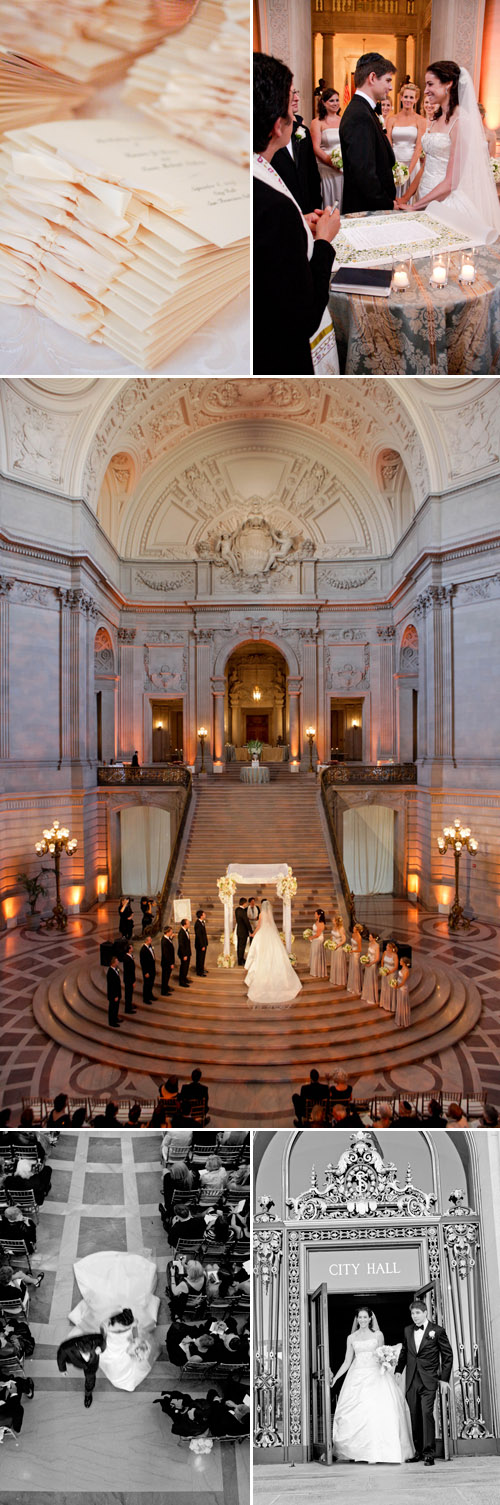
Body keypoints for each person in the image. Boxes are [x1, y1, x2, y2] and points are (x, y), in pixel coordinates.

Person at [253, 52, 340, 376]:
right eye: (291, 108)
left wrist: (298, 225)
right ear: (278, 126)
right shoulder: (273, 209)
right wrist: (323, 240)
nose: (296, 113)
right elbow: (303, 316)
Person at [398, 60, 500, 245]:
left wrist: (416, 207)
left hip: (445, 203)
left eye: (430, 84)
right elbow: (425, 166)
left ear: (448, 84)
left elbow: (452, 181)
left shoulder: (461, 121)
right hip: (424, 195)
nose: (426, 90)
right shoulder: (436, 118)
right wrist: (407, 197)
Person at [331, 1306, 414, 1463]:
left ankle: (381, 1452)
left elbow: (381, 1353)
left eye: (365, 1317)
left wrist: (386, 1362)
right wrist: (336, 1378)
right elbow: (347, 1361)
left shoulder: (378, 1335)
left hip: (376, 1375)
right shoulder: (351, 1338)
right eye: (359, 1317)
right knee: (356, 1412)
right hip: (356, 1377)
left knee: (377, 1410)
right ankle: (357, 1452)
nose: (362, 1320)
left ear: (370, 1319)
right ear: (357, 1319)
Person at [395, 1297, 453, 1465]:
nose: (415, 1316)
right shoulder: (407, 1330)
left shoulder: (438, 1331)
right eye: (412, 1313)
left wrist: (444, 1379)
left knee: (426, 1414)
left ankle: (429, 1453)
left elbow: (447, 1356)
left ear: (426, 1313)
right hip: (412, 1380)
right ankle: (418, 1452)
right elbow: (405, 1352)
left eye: (418, 1313)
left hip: (429, 1380)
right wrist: (399, 1370)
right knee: (414, 1415)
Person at [339, 52, 397, 214]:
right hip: (367, 210)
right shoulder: (359, 115)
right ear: (372, 78)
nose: (391, 87)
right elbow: (364, 174)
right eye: (387, 80)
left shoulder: (365, 110)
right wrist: (388, 204)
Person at [272, 83, 322, 215]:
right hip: (281, 212)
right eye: (292, 93)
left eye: (296, 92)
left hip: (308, 209)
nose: (297, 98)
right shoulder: (265, 138)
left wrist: (316, 208)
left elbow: (312, 174)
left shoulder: (302, 130)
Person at [244, 899, 302, 1005]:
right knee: (274, 952)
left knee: (261, 953)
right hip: (271, 934)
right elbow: (271, 925)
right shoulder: (269, 914)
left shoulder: (261, 914)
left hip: (263, 934)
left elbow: (259, 926)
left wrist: (253, 934)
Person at [386, 82, 425, 198]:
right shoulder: (391, 119)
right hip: (395, 164)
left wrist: (408, 171)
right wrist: (393, 167)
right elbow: (388, 145)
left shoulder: (421, 120)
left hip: (412, 164)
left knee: (410, 198)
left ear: (416, 99)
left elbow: (419, 147)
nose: (408, 100)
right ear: (401, 97)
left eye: (411, 97)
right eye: (406, 96)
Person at [310, 87, 343, 210]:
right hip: (325, 168)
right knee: (329, 201)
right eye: (331, 101)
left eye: (337, 100)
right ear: (323, 102)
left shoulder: (343, 120)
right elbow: (316, 147)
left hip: (342, 169)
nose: (335, 103)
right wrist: (331, 162)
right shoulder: (317, 122)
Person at [57, 1332, 107, 1408]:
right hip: (77, 1362)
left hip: (92, 1364)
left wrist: (101, 1348)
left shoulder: (96, 1339)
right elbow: (60, 1357)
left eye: (89, 1353)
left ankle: (88, 1394)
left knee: (90, 1380)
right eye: (85, 1354)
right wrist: (62, 1369)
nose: (87, 1357)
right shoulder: (66, 1347)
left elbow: (103, 1341)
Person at [380, 939, 399, 1011]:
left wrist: (389, 972)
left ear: (391, 948)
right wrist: (382, 969)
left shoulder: (395, 955)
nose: (386, 947)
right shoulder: (385, 952)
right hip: (384, 972)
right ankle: (383, 1003)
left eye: (387, 946)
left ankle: (390, 1005)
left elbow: (396, 967)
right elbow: (382, 961)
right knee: (384, 986)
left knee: (390, 988)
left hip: (391, 973)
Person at [361, 932, 380, 1004]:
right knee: (367, 978)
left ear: (374, 938)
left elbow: (377, 958)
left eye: (370, 937)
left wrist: (370, 964)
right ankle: (366, 995)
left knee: (371, 979)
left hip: (372, 964)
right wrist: (365, 959)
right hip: (368, 963)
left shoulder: (377, 946)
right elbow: (368, 953)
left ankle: (372, 997)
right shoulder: (369, 944)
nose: (369, 938)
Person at [309, 908, 328, 978]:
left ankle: (317, 971)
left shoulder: (321, 923)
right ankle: (314, 969)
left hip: (318, 940)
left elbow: (318, 934)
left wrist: (311, 937)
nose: (314, 915)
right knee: (314, 954)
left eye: (315, 914)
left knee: (317, 955)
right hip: (315, 940)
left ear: (319, 915)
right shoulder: (317, 921)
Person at [330, 912, 347, 987]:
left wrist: (337, 946)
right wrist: (330, 943)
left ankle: (339, 979)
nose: (332, 921)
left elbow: (344, 940)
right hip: (333, 947)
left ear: (336, 921)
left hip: (338, 948)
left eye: (333, 920)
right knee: (334, 962)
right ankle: (334, 978)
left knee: (338, 963)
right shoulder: (334, 927)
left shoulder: (341, 929)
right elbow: (332, 936)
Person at [235, 898, 253, 966]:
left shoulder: (237, 910)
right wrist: (251, 931)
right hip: (243, 931)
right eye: (246, 903)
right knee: (242, 946)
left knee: (239, 946)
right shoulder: (242, 911)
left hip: (239, 930)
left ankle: (240, 959)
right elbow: (246, 922)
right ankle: (240, 960)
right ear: (244, 903)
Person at [346, 923, 363, 995]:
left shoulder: (359, 938)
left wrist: (353, 951)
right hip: (352, 954)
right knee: (352, 969)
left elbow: (359, 949)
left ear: (357, 930)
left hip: (356, 955)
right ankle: (351, 986)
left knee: (355, 970)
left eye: (354, 928)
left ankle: (356, 988)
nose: (353, 929)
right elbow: (352, 944)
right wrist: (349, 948)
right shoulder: (353, 935)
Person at [395, 956, 411, 1028]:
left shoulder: (406, 971)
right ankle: (399, 1019)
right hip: (399, 986)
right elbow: (399, 978)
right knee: (399, 1002)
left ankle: (404, 1020)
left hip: (403, 988)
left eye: (401, 961)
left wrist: (397, 986)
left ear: (404, 963)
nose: (399, 962)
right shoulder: (402, 968)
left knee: (403, 1002)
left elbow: (403, 981)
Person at [106, 955, 122, 1028]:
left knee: (116, 1007)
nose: (118, 962)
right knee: (112, 1008)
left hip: (117, 993)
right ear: (113, 963)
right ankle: (112, 1022)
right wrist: (115, 995)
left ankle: (115, 1018)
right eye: (116, 961)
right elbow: (111, 986)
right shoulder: (110, 972)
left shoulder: (116, 969)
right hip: (113, 994)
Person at [140, 936, 156, 1004]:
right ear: (146, 941)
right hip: (147, 971)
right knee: (147, 984)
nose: (151, 940)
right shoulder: (143, 950)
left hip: (152, 969)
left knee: (151, 983)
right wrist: (145, 972)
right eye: (150, 939)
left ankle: (150, 995)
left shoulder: (150, 946)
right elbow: (143, 962)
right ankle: (145, 998)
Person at [123, 941, 137, 1015]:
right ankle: (128, 1009)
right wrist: (133, 981)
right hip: (129, 980)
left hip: (128, 979)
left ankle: (129, 1005)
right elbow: (130, 972)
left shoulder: (128, 957)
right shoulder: (127, 959)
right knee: (128, 994)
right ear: (129, 950)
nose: (132, 948)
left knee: (129, 994)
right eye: (131, 947)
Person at [161, 926, 175, 995]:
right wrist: (171, 963)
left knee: (167, 976)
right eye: (171, 931)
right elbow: (166, 954)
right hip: (166, 963)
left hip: (167, 962)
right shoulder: (164, 941)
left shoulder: (167, 939)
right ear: (167, 932)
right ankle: (164, 991)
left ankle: (166, 987)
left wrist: (171, 938)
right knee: (165, 977)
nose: (172, 932)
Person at [177, 919, 191, 988]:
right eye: (188, 923)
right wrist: (184, 955)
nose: (189, 924)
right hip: (184, 953)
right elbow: (181, 945)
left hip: (187, 952)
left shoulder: (186, 931)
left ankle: (184, 978)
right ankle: (181, 981)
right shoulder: (181, 933)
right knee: (183, 967)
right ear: (185, 924)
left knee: (186, 967)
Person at [194, 910, 208, 976]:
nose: (205, 915)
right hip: (200, 944)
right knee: (200, 958)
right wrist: (202, 945)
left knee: (202, 957)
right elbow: (199, 936)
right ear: (201, 916)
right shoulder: (198, 924)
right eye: (204, 914)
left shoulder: (202, 922)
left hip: (203, 943)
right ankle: (199, 972)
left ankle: (201, 969)